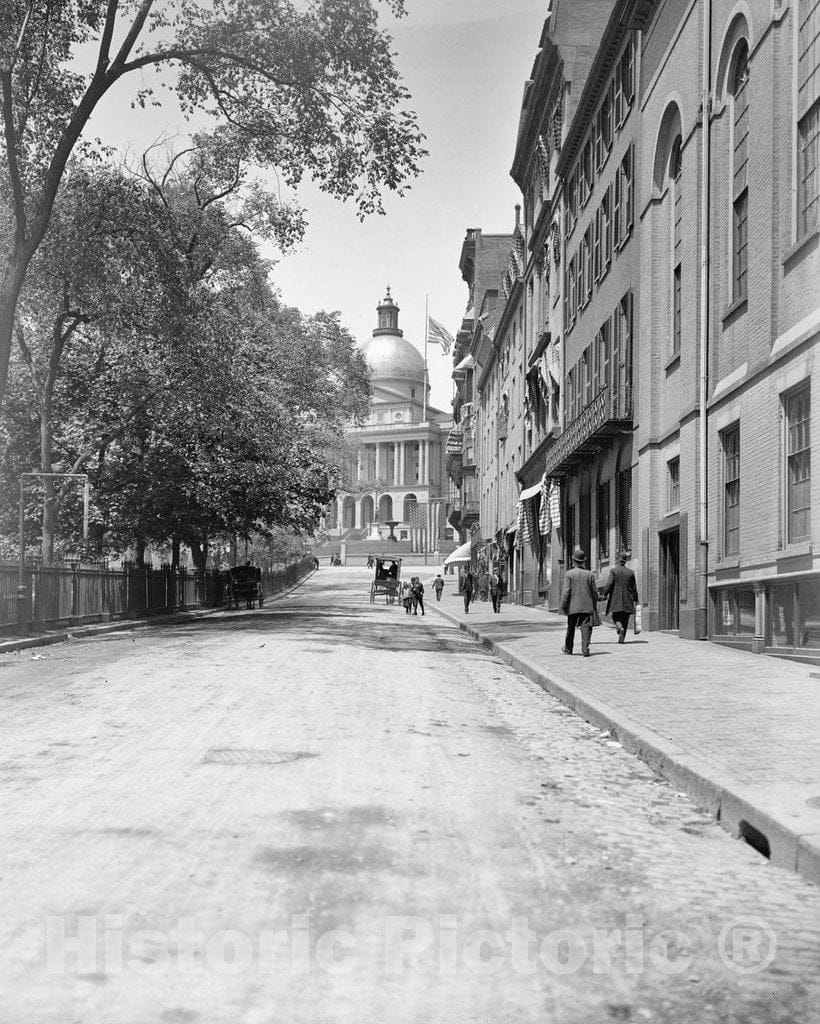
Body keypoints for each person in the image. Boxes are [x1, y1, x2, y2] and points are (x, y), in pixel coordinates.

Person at [559, 546, 600, 657]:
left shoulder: (569, 574)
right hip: (587, 605)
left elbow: (566, 592)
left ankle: (568, 648)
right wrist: (596, 601)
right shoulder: (590, 574)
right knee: (586, 627)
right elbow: (594, 591)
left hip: (573, 606)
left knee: (571, 628)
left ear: (574, 561)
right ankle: (585, 649)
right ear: (583, 561)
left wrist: (563, 606)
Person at [598, 550, 640, 643]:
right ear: (625, 561)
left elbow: (609, 584)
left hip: (615, 599)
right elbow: (634, 588)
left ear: (617, 560)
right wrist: (636, 599)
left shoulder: (613, 571)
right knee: (625, 618)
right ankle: (622, 638)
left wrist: (604, 594)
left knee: (615, 616)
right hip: (627, 599)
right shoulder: (630, 572)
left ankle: (619, 627)